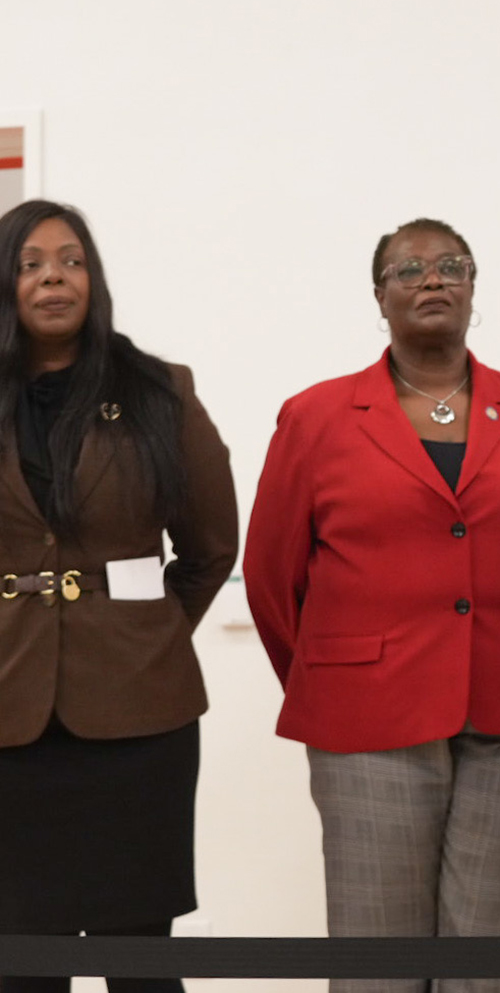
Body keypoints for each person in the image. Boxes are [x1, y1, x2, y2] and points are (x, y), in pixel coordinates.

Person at [243, 218, 500, 993]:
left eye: (450, 265)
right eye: (408, 269)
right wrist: (336, 671)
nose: (432, 279)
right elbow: (271, 577)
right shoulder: (315, 417)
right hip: (366, 713)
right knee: (378, 961)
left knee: (489, 962)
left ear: (473, 287)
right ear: (379, 297)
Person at [0, 200, 237, 993]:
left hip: (140, 719)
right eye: (31, 264)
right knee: (22, 965)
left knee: (139, 967)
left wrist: (148, 637)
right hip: (9, 718)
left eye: (71, 261)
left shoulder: (158, 392)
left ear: (94, 280)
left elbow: (210, 548)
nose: (53, 278)